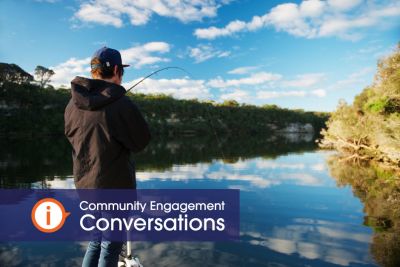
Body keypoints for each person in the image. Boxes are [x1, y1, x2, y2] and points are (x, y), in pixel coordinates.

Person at [64, 47, 151, 267]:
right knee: (111, 247)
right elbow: (140, 142)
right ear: (116, 69)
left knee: (95, 241)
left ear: (94, 71)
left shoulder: (71, 106)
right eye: (122, 70)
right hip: (115, 190)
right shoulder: (121, 104)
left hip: (85, 188)